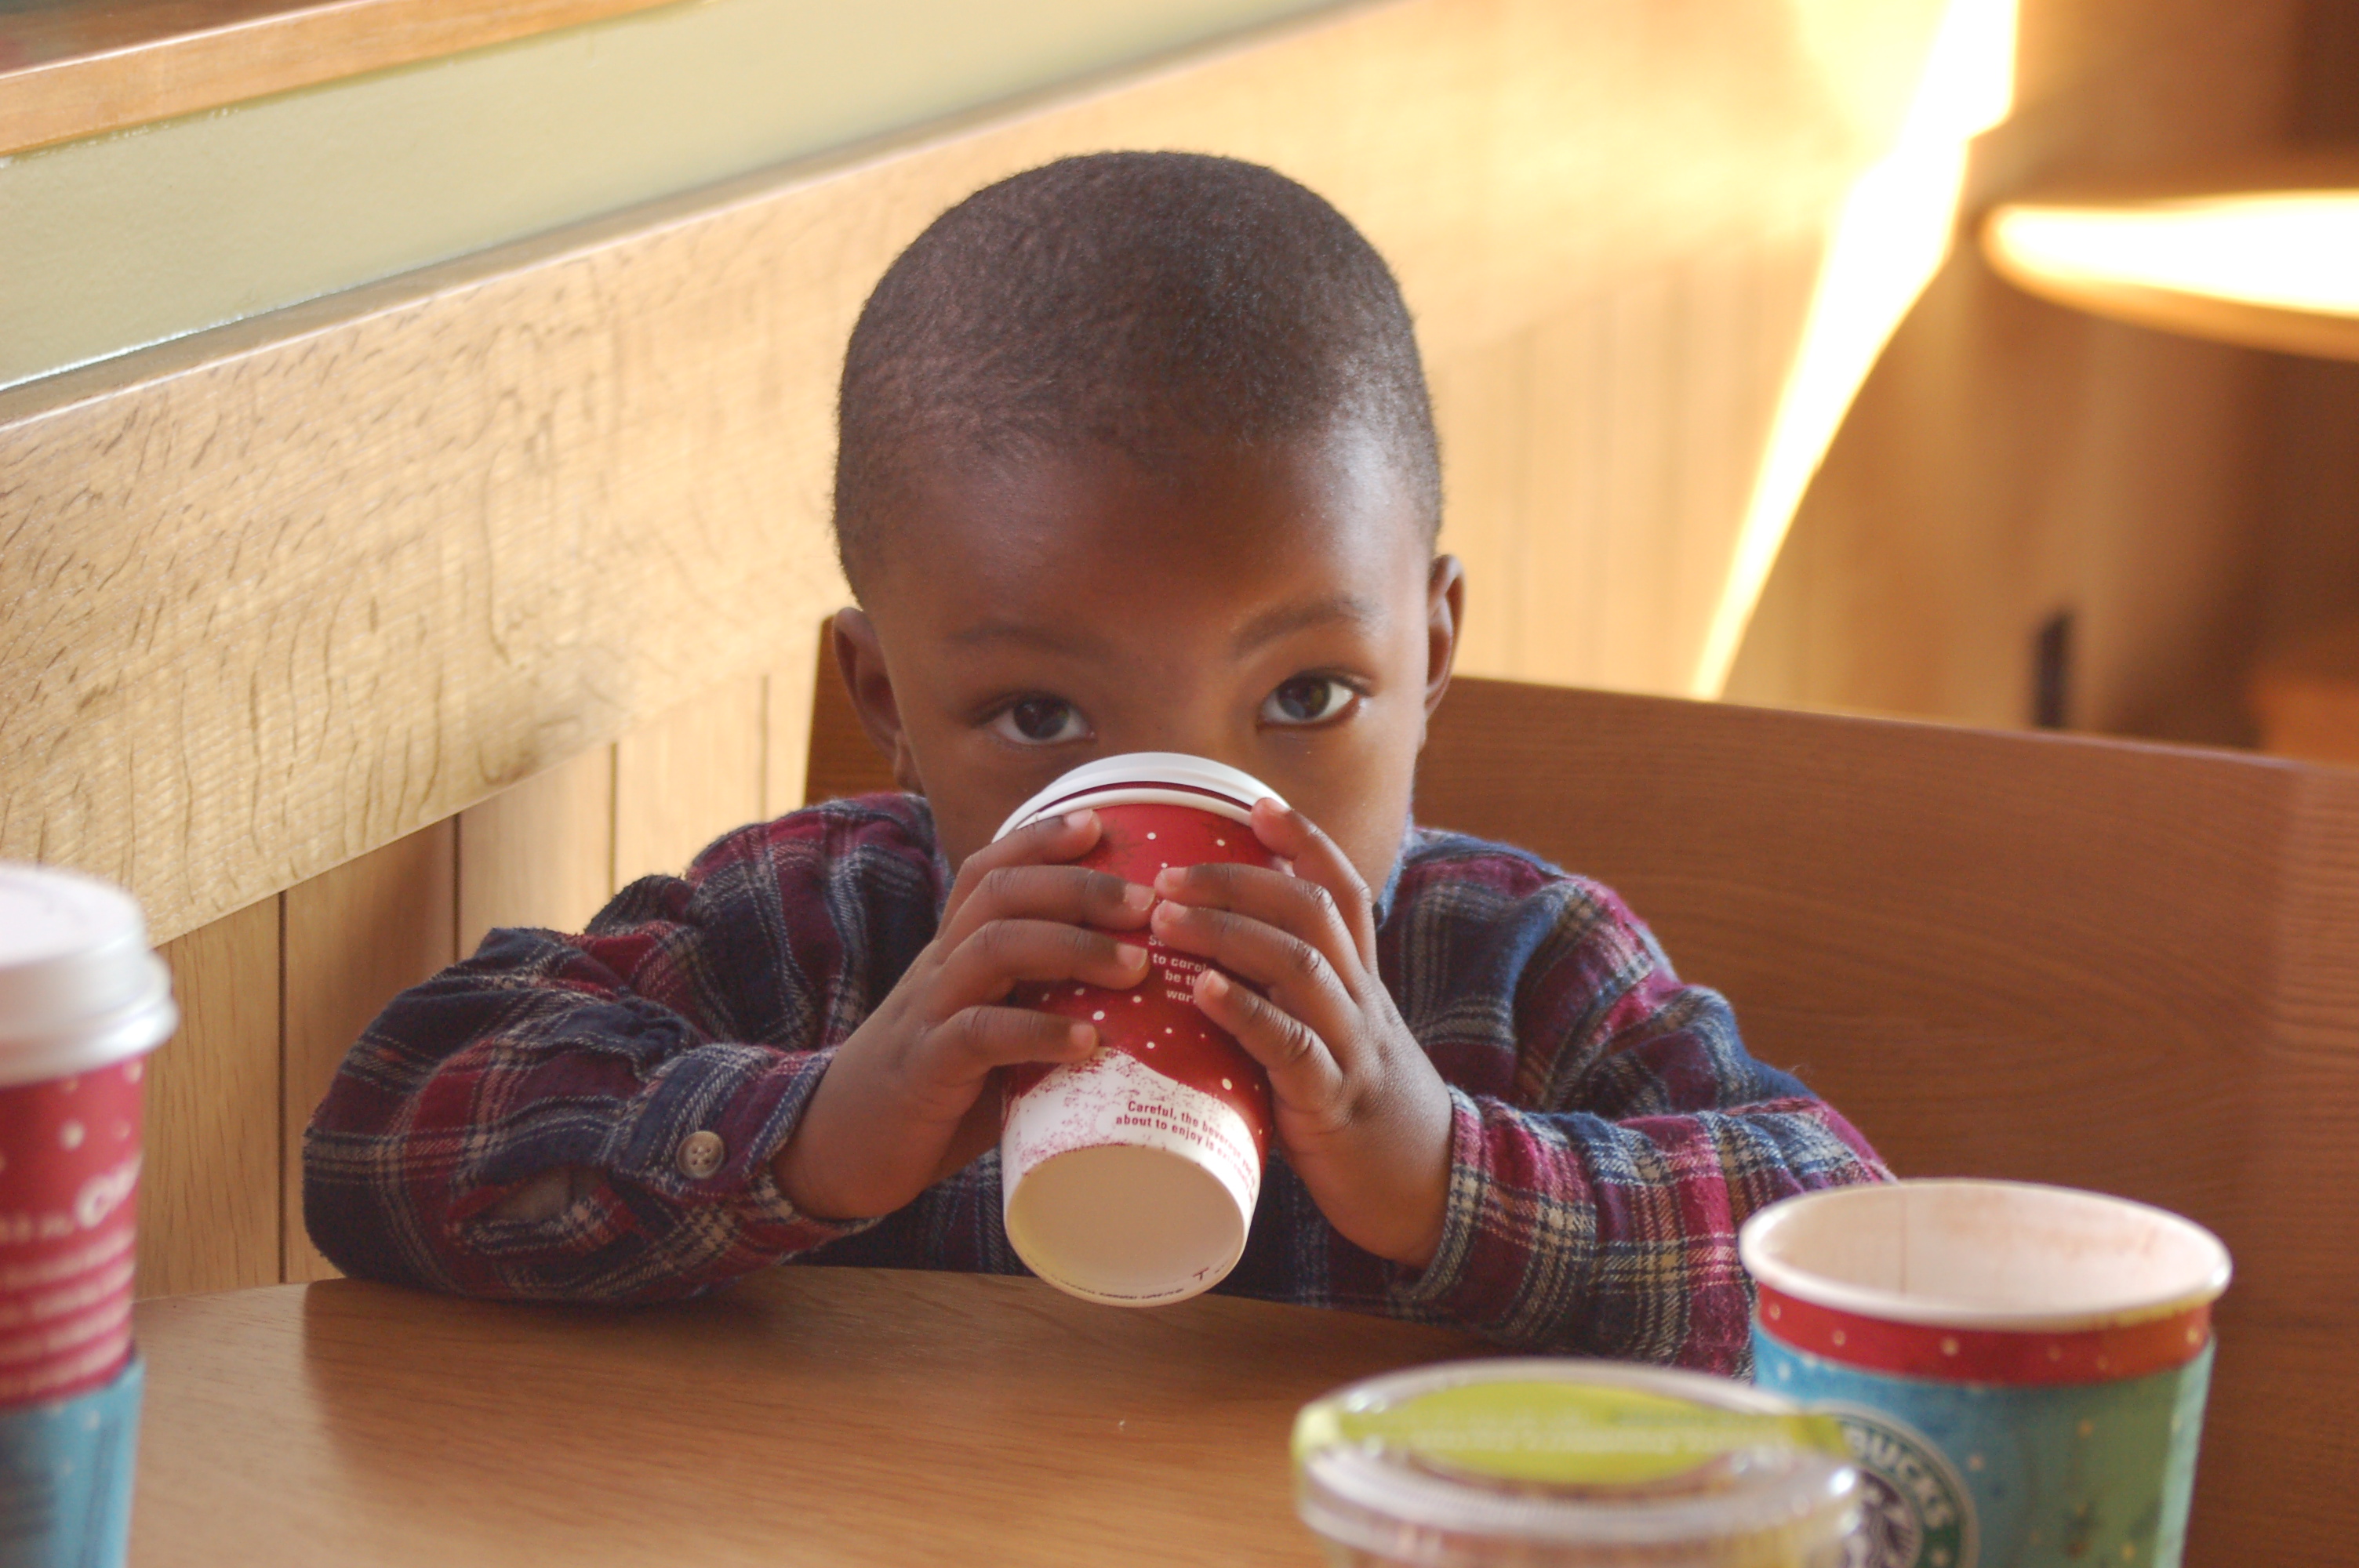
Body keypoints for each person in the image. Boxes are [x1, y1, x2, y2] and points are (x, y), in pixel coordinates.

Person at [304, 151, 1885, 1371]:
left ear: (1431, 652)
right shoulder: (822, 937)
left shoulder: (1509, 969)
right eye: (1043, 717)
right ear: (888, 698)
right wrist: (820, 1130)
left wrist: (1442, 1171)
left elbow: (1846, 1243)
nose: (1187, 825)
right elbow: (387, 1135)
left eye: (1308, 692)